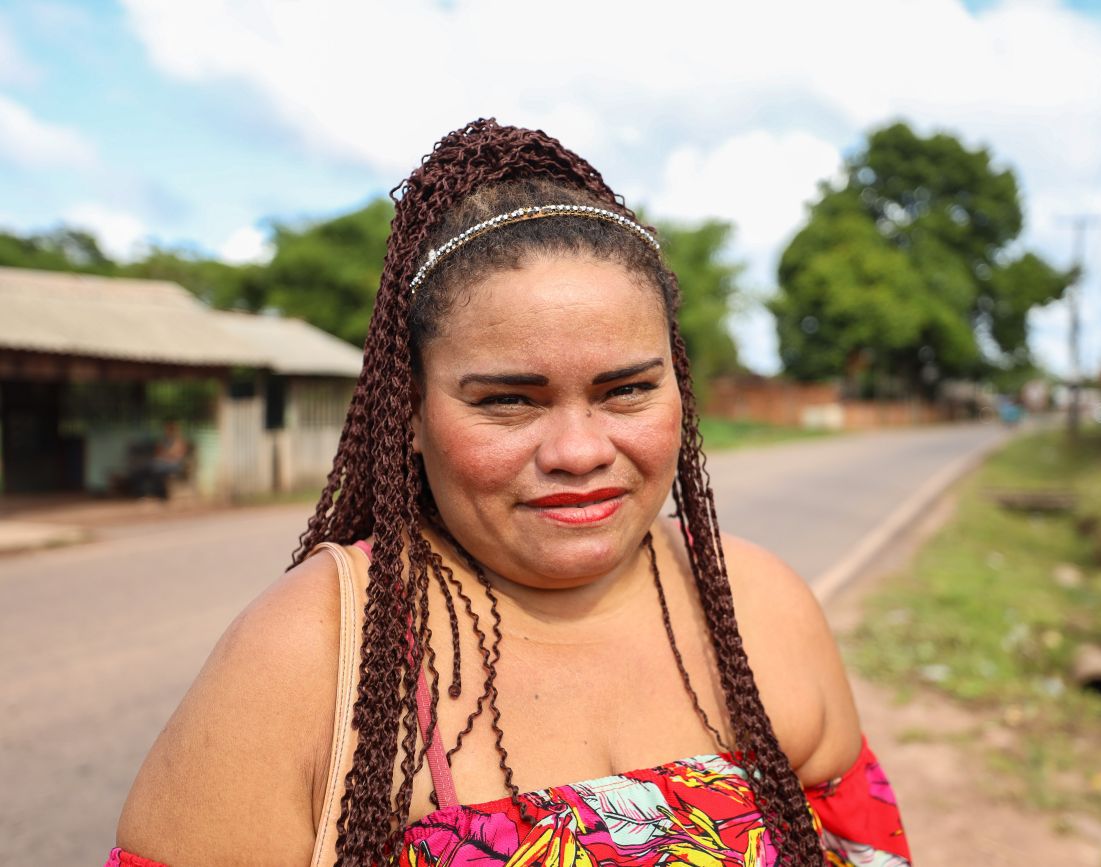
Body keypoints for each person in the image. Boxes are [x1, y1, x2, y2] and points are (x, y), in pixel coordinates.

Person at [107, 120, 910, 867]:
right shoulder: (306, 656)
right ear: (412, 414)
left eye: (627, 389)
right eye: (507, 400)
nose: (578, 450)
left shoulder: (758, 603)